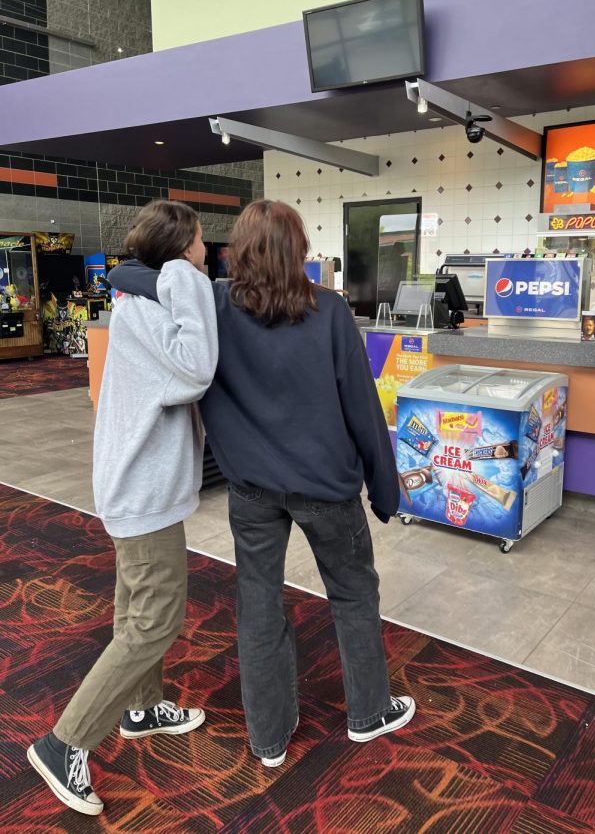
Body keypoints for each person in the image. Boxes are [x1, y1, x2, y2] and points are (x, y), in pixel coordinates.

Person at [109, 199, 416, 769]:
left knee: (258, 605)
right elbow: (363, 408)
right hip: (328, 487)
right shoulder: (329, 310)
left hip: (250, 488)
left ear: (237, 252)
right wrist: (385, 487)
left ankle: (268, 738)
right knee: (353, 594)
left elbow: (128, 273)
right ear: (299, 251)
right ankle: (369, 712)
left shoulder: (216, 303)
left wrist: (138, 267)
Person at [27, 200, 218, 816]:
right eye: (197, 245)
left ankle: (142, 706)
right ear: (175, 253)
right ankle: (65, 743)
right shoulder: (158, 303)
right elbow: (197, 368)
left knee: (136, 606)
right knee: (155, 620)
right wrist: (184, 280)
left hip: (136, 485)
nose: (207, 252)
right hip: (143, 492)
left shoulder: (140, 306)